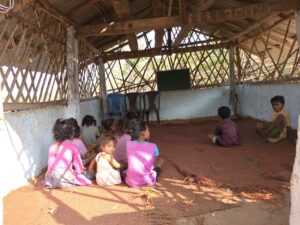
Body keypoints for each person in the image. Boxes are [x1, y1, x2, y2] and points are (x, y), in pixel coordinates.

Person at [45, 119, 91, 188]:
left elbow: (50, 163)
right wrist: (79, 172)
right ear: (71, 134)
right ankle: (65, 183)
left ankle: (54, 184)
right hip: (64, 177)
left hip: (49, 178)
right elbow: (79, 169)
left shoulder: (52, 146)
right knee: (87, 178)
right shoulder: (73, 147)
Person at [125, 120, 164, 188]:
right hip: (148, 181)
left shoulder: (128, 143)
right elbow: (153, 165)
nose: (149, 132)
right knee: (161, 161)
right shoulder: (153, 146)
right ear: (143, 133)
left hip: (131, 181)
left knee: (125, 169)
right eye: (148, 130)